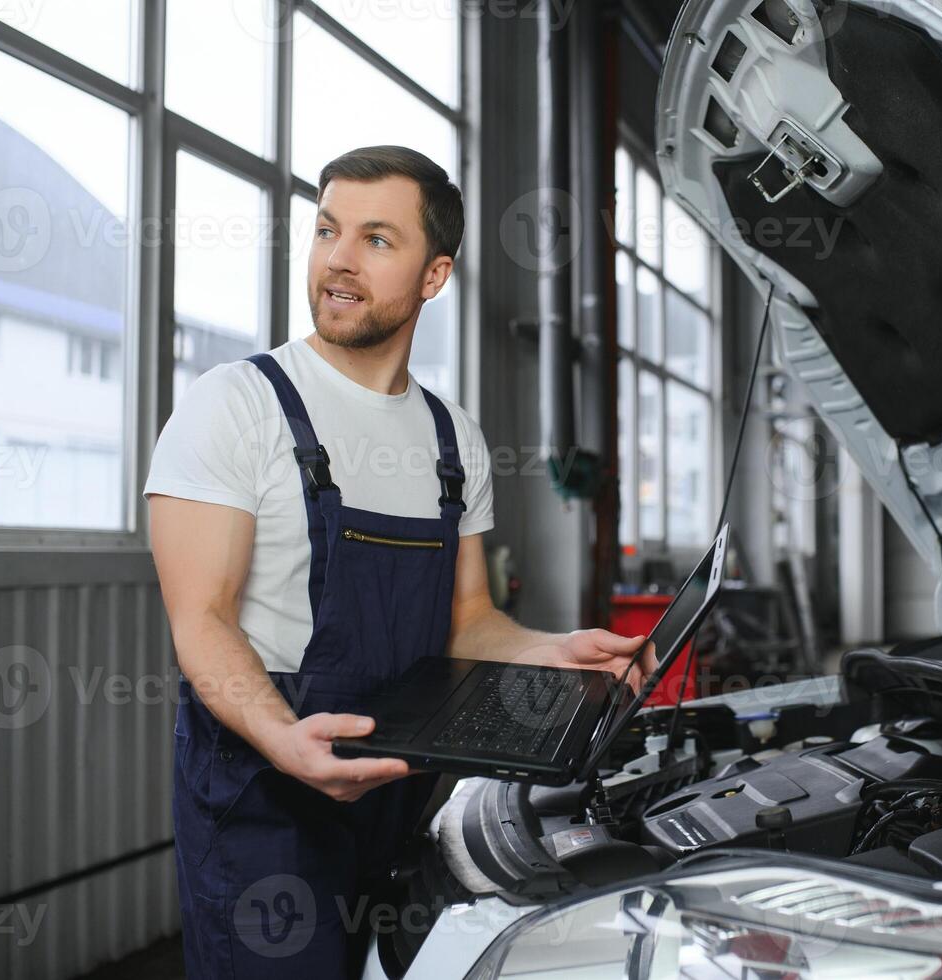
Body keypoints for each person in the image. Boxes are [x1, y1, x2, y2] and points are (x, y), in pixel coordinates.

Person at [144, 145, 653, 979]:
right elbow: (199, 621)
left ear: (434, 274)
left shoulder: (453, 436)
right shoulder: (236, 403)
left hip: (402, 782)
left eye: (377, 238)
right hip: (266, 790)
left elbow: (468, 621)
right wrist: (281, 737)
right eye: (326, 230)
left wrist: (549, 652)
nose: (339, 258)